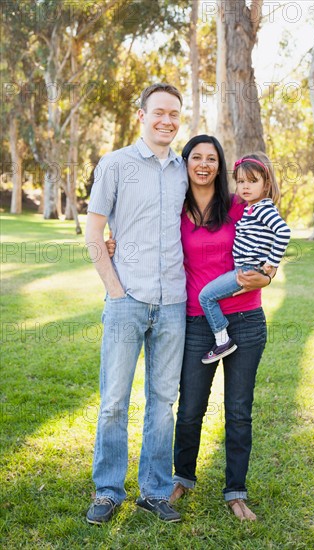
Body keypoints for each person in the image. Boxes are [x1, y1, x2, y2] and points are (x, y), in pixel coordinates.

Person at [85, 83, 188, 525]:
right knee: (113, 401)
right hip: (127, 300)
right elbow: (93, 233)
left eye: (174, 114)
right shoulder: (115, 164)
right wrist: (115, 290)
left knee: (163, 402)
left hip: (174, 303)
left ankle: (155, 491)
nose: (167, 120)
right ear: (141, 115)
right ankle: (108, 491)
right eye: (159, 112)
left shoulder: (187, 169)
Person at [169, 135, 275, 521]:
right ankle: (181, 478)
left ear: (220, 165)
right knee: (190, 408)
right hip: (199, 324)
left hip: (246, 320)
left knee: (239, 410)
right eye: (196, 157)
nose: (203, 164)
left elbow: (270, 237)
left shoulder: (238, 205)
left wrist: (269, 275)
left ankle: (235, 491)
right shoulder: (174, 208)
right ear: (185, 163)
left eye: (211, 158)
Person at [198, 153, 291, 364]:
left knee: (206, 297)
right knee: (209, 296)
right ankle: (222, 338)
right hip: (243, 267)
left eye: (252, 181)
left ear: (266, 185)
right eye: (240, 181)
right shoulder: (251, 208)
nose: (245, 186)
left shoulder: (263, 208)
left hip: (246, 270)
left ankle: (222, 340)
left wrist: (272, 263)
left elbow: (283, 232)